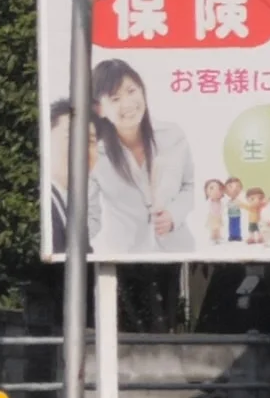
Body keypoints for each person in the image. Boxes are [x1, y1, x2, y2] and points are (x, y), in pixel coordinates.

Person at [81, 59, 197, 256]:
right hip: (124, 257)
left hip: (177, 251)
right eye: (115, 99)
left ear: (142, 90)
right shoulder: (95, 154)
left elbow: (189, 186)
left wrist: (173, 216)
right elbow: (90, 217)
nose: (127, 104)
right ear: (99, 109)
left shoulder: (172, 135)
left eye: (131, 91)